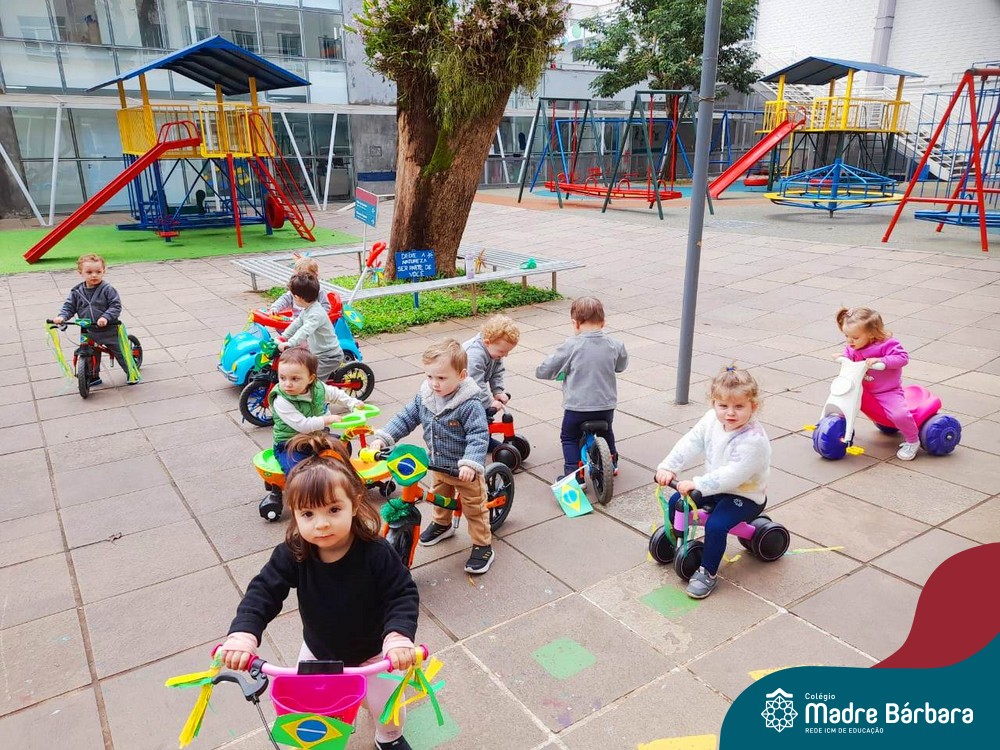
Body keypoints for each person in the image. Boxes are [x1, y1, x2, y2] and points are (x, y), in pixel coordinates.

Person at [220, 433, 419, 750]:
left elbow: (402, 593)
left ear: (354, 504)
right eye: (308, 514)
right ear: (295, 514)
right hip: (319, 652)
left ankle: (388, 738)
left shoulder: (375, 552)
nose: (321, 524)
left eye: (333, 510)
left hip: (374, 652)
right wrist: (244, 633)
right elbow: (263, 591)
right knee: (314, 715)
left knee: (387, 709)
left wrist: (398, 635)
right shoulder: (294, 552)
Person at [370, 339, 493, 574]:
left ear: (462, 375)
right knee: (438, 497)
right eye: (430, 376)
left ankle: (482, 545)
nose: (434, 383)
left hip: (463, 471)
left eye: (442, 378)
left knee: (474, 508)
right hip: (437, 465)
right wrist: (384, 438)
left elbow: (478, 435)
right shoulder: (425, 397)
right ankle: (442, 524)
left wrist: (470, 463)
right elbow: (406, 417)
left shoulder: (469, 404)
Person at [654, 366, 771, 600]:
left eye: (739, 407)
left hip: (745, 496)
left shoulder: (753, 440)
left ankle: (707, 572)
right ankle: (674, 538)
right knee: (677, 500)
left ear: (753, 406)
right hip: (715, 488)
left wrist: (698, 484)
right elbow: (691, 442)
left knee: (716, 525)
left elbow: (733, 474)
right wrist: (668, 467)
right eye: (723, 406)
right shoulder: (711, 420)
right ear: (714, 403)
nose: (730, 413)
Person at [535, 296, 628, 484]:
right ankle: (612, 462)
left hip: (577, 408)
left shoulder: (571, 345)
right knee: (607, 431)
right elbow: (621, 366)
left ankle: (574, 474)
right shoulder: (616, 344)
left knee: (569, 437)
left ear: (575, 323)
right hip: (605, 406)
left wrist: (547, 372)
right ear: (603, 322)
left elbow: (545, 369)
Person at [836, 306, 919, 460]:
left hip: (887, 391)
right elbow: (849, 354)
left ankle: (913, 440)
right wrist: (843, 357)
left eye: (855, 337)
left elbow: (902, 358)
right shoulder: (853, 346)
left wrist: (882, 361)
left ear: (871, 333)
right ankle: (839, 430)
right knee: (842, 402)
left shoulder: (887, 344)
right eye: (846, 336)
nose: (849, 341)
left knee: (899, 414)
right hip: (862, 388)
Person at [270, 346, 365, 475]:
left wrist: (352, 403)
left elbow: (336, 394)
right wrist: (326, 420)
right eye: (282, 378)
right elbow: (302, 425)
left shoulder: (318, 388)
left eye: (294, 379)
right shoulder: (281, 400)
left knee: (343, 445)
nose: (287, 384)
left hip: (317, 437)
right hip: (290, 443)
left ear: (310, 378)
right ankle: (300, 486)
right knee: (298, 470)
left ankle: (338, 477)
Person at [52, 253, 137, 386]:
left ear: (104, 271)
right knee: (89, 352)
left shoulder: (107, 289)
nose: (94, 275)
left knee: (120, 351)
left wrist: (105, 317)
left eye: (98, 272)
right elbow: (69, 307)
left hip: (109, 329)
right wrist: (62, 317)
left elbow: (115, 306)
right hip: (88, 330)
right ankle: (92, 376)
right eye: (89, 272)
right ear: (80, 272)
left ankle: (132, 372)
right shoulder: (76, 292)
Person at [463, 314, 520, 450]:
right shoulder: (474, 354)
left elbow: (497, 371)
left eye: (507, 352)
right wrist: (488, 401)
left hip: (472, 388)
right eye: (502, 351)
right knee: (476, 415)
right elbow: (475, 382)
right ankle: (478, 441)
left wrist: (497, 391)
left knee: (485, 414)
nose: (505, 355)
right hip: (459, 390)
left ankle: (484, 439)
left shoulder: (494, 351)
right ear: (487, 342)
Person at [277, 273, 343, 380]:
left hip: (329, 357)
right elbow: (297, 323)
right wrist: (283, 337)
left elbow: (305, 330)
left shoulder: (316, 314)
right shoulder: (308, 309)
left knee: (310, 380)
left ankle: (319, 390)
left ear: (297, 297)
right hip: (317, 354)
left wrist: (290, 343)